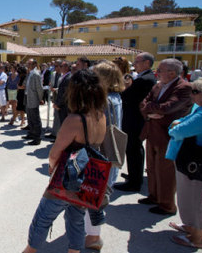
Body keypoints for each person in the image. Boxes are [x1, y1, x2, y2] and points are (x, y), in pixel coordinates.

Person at [23, 69, 107, 253]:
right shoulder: (101, 115)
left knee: (43, 218)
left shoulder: (75, 119)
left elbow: (55, 153)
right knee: (76, 219)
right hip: (86, 178)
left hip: (68, 177)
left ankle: (29, 251)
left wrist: (52, 169)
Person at [139, 58, 192, 215]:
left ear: (172, 73)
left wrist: (150, 109)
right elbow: (143, 103)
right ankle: (154, 196)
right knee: (152, 167)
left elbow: (168, 108)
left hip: (167, 135)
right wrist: (150, 112)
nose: (157, 72)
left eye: (160, 70)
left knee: (165, 171)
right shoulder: (158, 85)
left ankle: (167, 205)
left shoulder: (184, 88)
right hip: (152, 131)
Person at [84, 61, 125, 250]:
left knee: (92, 196)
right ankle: (92, 234)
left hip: (99, 152)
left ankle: (93, 237)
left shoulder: (103, 100)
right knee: (98, 195)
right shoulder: (115, 97)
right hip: (109, 152)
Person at [167, 77, 202, 249]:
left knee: (194, 199)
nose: (192, 95)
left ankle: (197, 238)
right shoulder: (201, 110)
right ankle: (190, 226)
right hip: (191, 161)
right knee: (186, 197)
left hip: (196, 163)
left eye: (195, 92)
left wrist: (176, 125)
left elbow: (177, 131)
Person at [114, 52, 157, 192]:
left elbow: (126, 96)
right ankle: (134, 175)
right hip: (134, 118)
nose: (135, 64)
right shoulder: (143, 78)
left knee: (133, 149)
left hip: (134, 119)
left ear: (146, 63)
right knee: (133, 149)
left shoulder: (145, 79)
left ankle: (134, 181)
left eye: (137, 61)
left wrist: (122, 90)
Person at [22, 59, 43, 146]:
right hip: (28, 97)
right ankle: (31, 133)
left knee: (35, 118)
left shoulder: (36, 74)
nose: (28, 65)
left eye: (29, 63)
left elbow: (39, 88)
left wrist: (40, 98)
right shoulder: (30, 73)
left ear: (34, 64)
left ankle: (37, 138)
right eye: (27, 63)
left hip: (33, 98)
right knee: (30, 117)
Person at [54, 60, 72, 125]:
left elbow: (64, 94)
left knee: (64, 124)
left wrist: (58, 104)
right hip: (62, 106)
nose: (59, 67)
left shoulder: (68, 78)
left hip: (64, 107)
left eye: (61, 66)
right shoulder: (65, 77)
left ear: (66, 67)